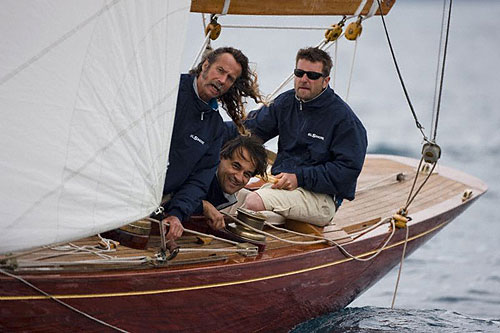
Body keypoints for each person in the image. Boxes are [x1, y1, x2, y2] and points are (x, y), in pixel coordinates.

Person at [226, 47, 367, 226]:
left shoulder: (345, 120)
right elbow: (249, 129)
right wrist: (210, 130)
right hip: (281, 188)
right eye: (299, 73)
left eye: (312, 76)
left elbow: (347, 171)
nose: (304, 79)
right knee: (226, 194)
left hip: (321, 199)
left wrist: (299, 177)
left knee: (253, 202)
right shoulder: (286, 103)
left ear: (326, 81)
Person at [161, 47, 263, 240]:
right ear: (205, 66)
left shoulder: (214, 128)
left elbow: (198, 181)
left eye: (230, 78)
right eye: (220, 71)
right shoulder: (168, 89)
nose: (222, 81)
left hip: (158, 204)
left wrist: (177, 214)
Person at [192, 135, 268, 230]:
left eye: (247, 174)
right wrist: (204, 206)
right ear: (220, 157)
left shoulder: (222, 192)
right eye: (236, 166)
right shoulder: (196, 174)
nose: (239, 178)